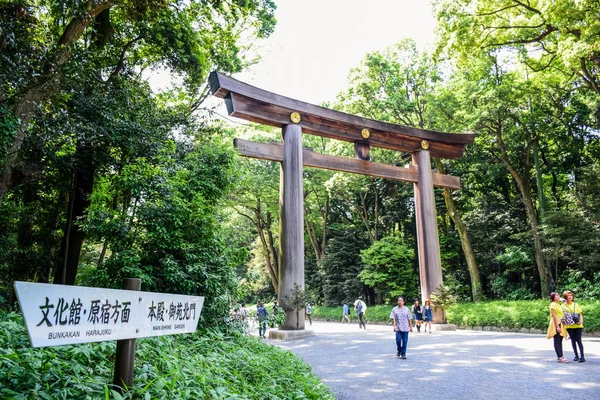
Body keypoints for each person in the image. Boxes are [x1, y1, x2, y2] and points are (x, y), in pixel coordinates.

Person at [562, 290, 585, 362]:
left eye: (571, 295)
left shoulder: (575, 304)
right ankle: (576, 355)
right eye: (568, 295)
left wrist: (581, 321)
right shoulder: (563, 306)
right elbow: (562, 315)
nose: (570, 297)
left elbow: (580, 313)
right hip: (570, 326)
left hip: (578, 325)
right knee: (573, 340)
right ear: (565, 296)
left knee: (579, 340)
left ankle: (582, 356)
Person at [547, 292, 569, 363]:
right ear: (553, 297)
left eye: (558, 295)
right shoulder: (553, 304)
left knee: (560, 340)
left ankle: (561, 356)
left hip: (561, 323)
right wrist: (557, 326)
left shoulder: (558, 304)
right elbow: (553, 316)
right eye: (556, 295)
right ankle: (560, 357)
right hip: (556, 323)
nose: (558, 296)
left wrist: (563, 301)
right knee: (557, 340)